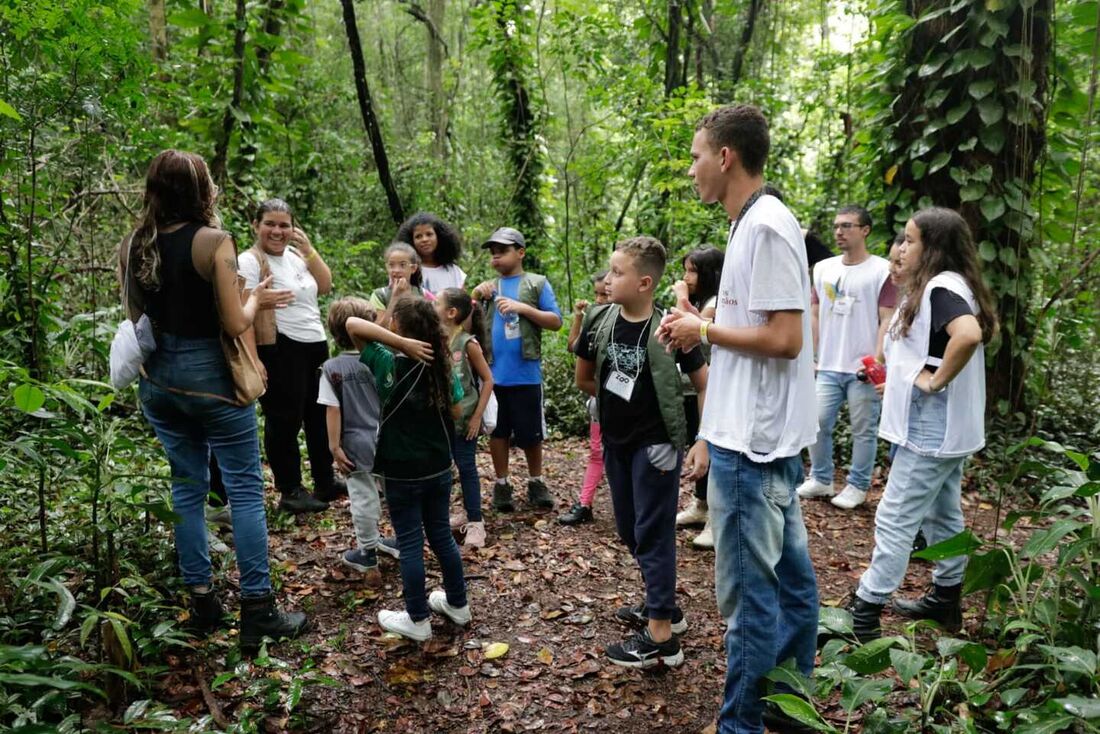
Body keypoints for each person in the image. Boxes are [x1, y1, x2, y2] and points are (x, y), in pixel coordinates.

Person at [658, 104, 819, 733]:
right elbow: (750, 343)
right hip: (747, 441)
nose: (693, 169)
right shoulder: (747, 224)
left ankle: (742, 726)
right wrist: (706, 431)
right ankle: (789, 710)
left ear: (725, 157)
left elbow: (784, 339)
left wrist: (704, 327)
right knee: (795, 593)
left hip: (755, 453)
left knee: (754, 604)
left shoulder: (768, 227)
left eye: (698, 155)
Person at [123, 150, 306, 648]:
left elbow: (135, 318)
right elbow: (234, 321)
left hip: (159, 381)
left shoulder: (134, 242)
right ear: (202, 189)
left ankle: (200, 597)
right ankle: (257, 608)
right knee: (245, 490)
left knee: (187, 487)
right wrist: (256, 299)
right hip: (212, 379)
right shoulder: (213, 242)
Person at [843, 207, 997, 642]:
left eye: (910, 240)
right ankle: (946, 598)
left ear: (935, 248)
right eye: (901, 238)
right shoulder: (941, 286)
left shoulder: (942, 288)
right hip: (945, 429)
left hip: (930, 430)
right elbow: (924, 350)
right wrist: (906, 379)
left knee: (894, 518)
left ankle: (865, 613)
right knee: (942, 514)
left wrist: (935, 381)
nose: (900, 247)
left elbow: (967, 334)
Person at [575, 237, 708, 668]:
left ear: (645, 282)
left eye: (618, 273)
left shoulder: (671, 327)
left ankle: (662, 639)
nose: (608, 279)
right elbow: (585, 378)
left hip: (657, 446)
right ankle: (662, 605)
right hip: (617, 442)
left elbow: (703, 382)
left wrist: (701, 439)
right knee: (631, 530)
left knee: (652, 533)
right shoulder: (600, 320)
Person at [346, 298, 470, 641]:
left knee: (411, 542)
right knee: (441, 535)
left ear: (398, 327)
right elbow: (457, 411)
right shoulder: (440, 366)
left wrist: (397, 345)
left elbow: (352, 325)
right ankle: (458, 604)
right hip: (437, 467)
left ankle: (418, 619)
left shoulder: (386, 361)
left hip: (401, 471)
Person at [239, 198, 337, 514]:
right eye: (270, 223)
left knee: (318, 416)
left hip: (314, 343)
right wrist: (254, 360)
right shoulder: (250, 261)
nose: (277, 231)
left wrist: (309, 250)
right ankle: (290, 489)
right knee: (285, 419)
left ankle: (326, 480)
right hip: (281, 346)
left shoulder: (296, 256)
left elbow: (325, 285)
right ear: (255, 225)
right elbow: (244, 316)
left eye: (284, 225)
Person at [797, 206, 898, 510]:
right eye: (837, 226)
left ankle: (858, 485)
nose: (839, 232)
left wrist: (877, 360)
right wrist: (812, 355)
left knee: (863, 429)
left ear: (865, 230)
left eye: (847, 226)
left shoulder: (882, 270)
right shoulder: (823, 268)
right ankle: (821, 477)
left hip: (862, 367)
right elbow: (814, 313)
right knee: (816, 421)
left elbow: (887, 318)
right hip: (828, 363)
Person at [471, 228, 563, 513]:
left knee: (531, 433)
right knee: (497, 431)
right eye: (492, 251)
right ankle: (502, 484)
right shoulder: (487, 288)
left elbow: (555, 321)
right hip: (492, 375)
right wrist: (474, 294)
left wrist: (522, 308)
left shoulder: (536, 283)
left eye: (503, 250)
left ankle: (536, 481)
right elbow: (462, 319)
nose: (496, 255)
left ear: (520, 252)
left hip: (526, 373)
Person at [317, 297, 388, 577]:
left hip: (356, 442)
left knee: (363, 497)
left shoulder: (332, 368)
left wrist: (334, 447)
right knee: (394, 492)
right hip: (388, 438)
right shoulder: (383, 360)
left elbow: (332, 410)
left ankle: (368, 552)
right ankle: (404, 542)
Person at [671, 245, 724, 549]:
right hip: (691, 387)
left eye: (692, 271)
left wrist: (680, 296)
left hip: (713, 386)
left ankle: (717, 518)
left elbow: (695, 328)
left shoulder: (716, 303)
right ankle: (701, 506)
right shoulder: (700, 300)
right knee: (697, 446)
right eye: (685, 270)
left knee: (711, 450)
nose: (686, 277)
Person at [436, 288, 494, 548]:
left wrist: (476, 418)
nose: (432, 305)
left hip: (466, 418)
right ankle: (448, 517)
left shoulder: (468, 342)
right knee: (444, 469)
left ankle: (476, 523)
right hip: (442, 419)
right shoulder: (436, 340)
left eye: (436, 303)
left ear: (451, 312)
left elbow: (488, 380)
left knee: (466, 467)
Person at [559, 270, 610, 526]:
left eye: (605, 293)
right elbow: (573, 345)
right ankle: (585, 504)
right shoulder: (594, 319)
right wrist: (579, 316)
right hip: (600, 399)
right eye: (597, 294)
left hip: (627, 404)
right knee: (596, 452)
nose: (600, 299)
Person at [396, 212, 467, 293]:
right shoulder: (409, 271)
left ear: (439, 236)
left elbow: (463, 301)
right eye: (418, 236)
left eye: (429, 234)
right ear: (411, 241)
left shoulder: (453, 271)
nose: (424, 239)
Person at [370, 241, 433, 330]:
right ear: (386, 267)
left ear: (413, 268)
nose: (396, 270)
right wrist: (395, 298)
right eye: (391, 265)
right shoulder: (380, 295)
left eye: (402, 265)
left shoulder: (424, 294)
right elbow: (377, 330)